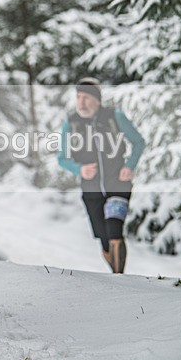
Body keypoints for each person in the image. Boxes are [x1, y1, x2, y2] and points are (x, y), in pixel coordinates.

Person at [58, 78, 145, 274]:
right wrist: (79, 170)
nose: (81, 102)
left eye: (86, 98)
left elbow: (138, 142)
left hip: (118, 184)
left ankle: (120, 279)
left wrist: (129, 166)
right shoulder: (71, 124)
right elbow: (62, 158)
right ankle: (115, 274)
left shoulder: (114, 117)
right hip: (91, 191)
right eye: (78, 97)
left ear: (97, 100)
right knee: (105, 240)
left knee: (115, 233)